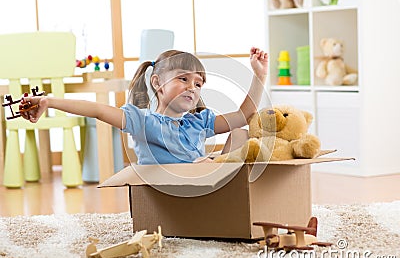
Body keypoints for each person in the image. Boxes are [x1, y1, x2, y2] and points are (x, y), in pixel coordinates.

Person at [21, 47, 268, 165]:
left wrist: (259, 76)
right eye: (183, 79)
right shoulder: (143, 121)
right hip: (169, 191)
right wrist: (48, 101)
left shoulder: (198, 121)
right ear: (157, 83)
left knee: (240, 133)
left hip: (206, 183)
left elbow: (244, 115)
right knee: (206, 162)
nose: (192, 87)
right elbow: (96, 109)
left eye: (198, 83)